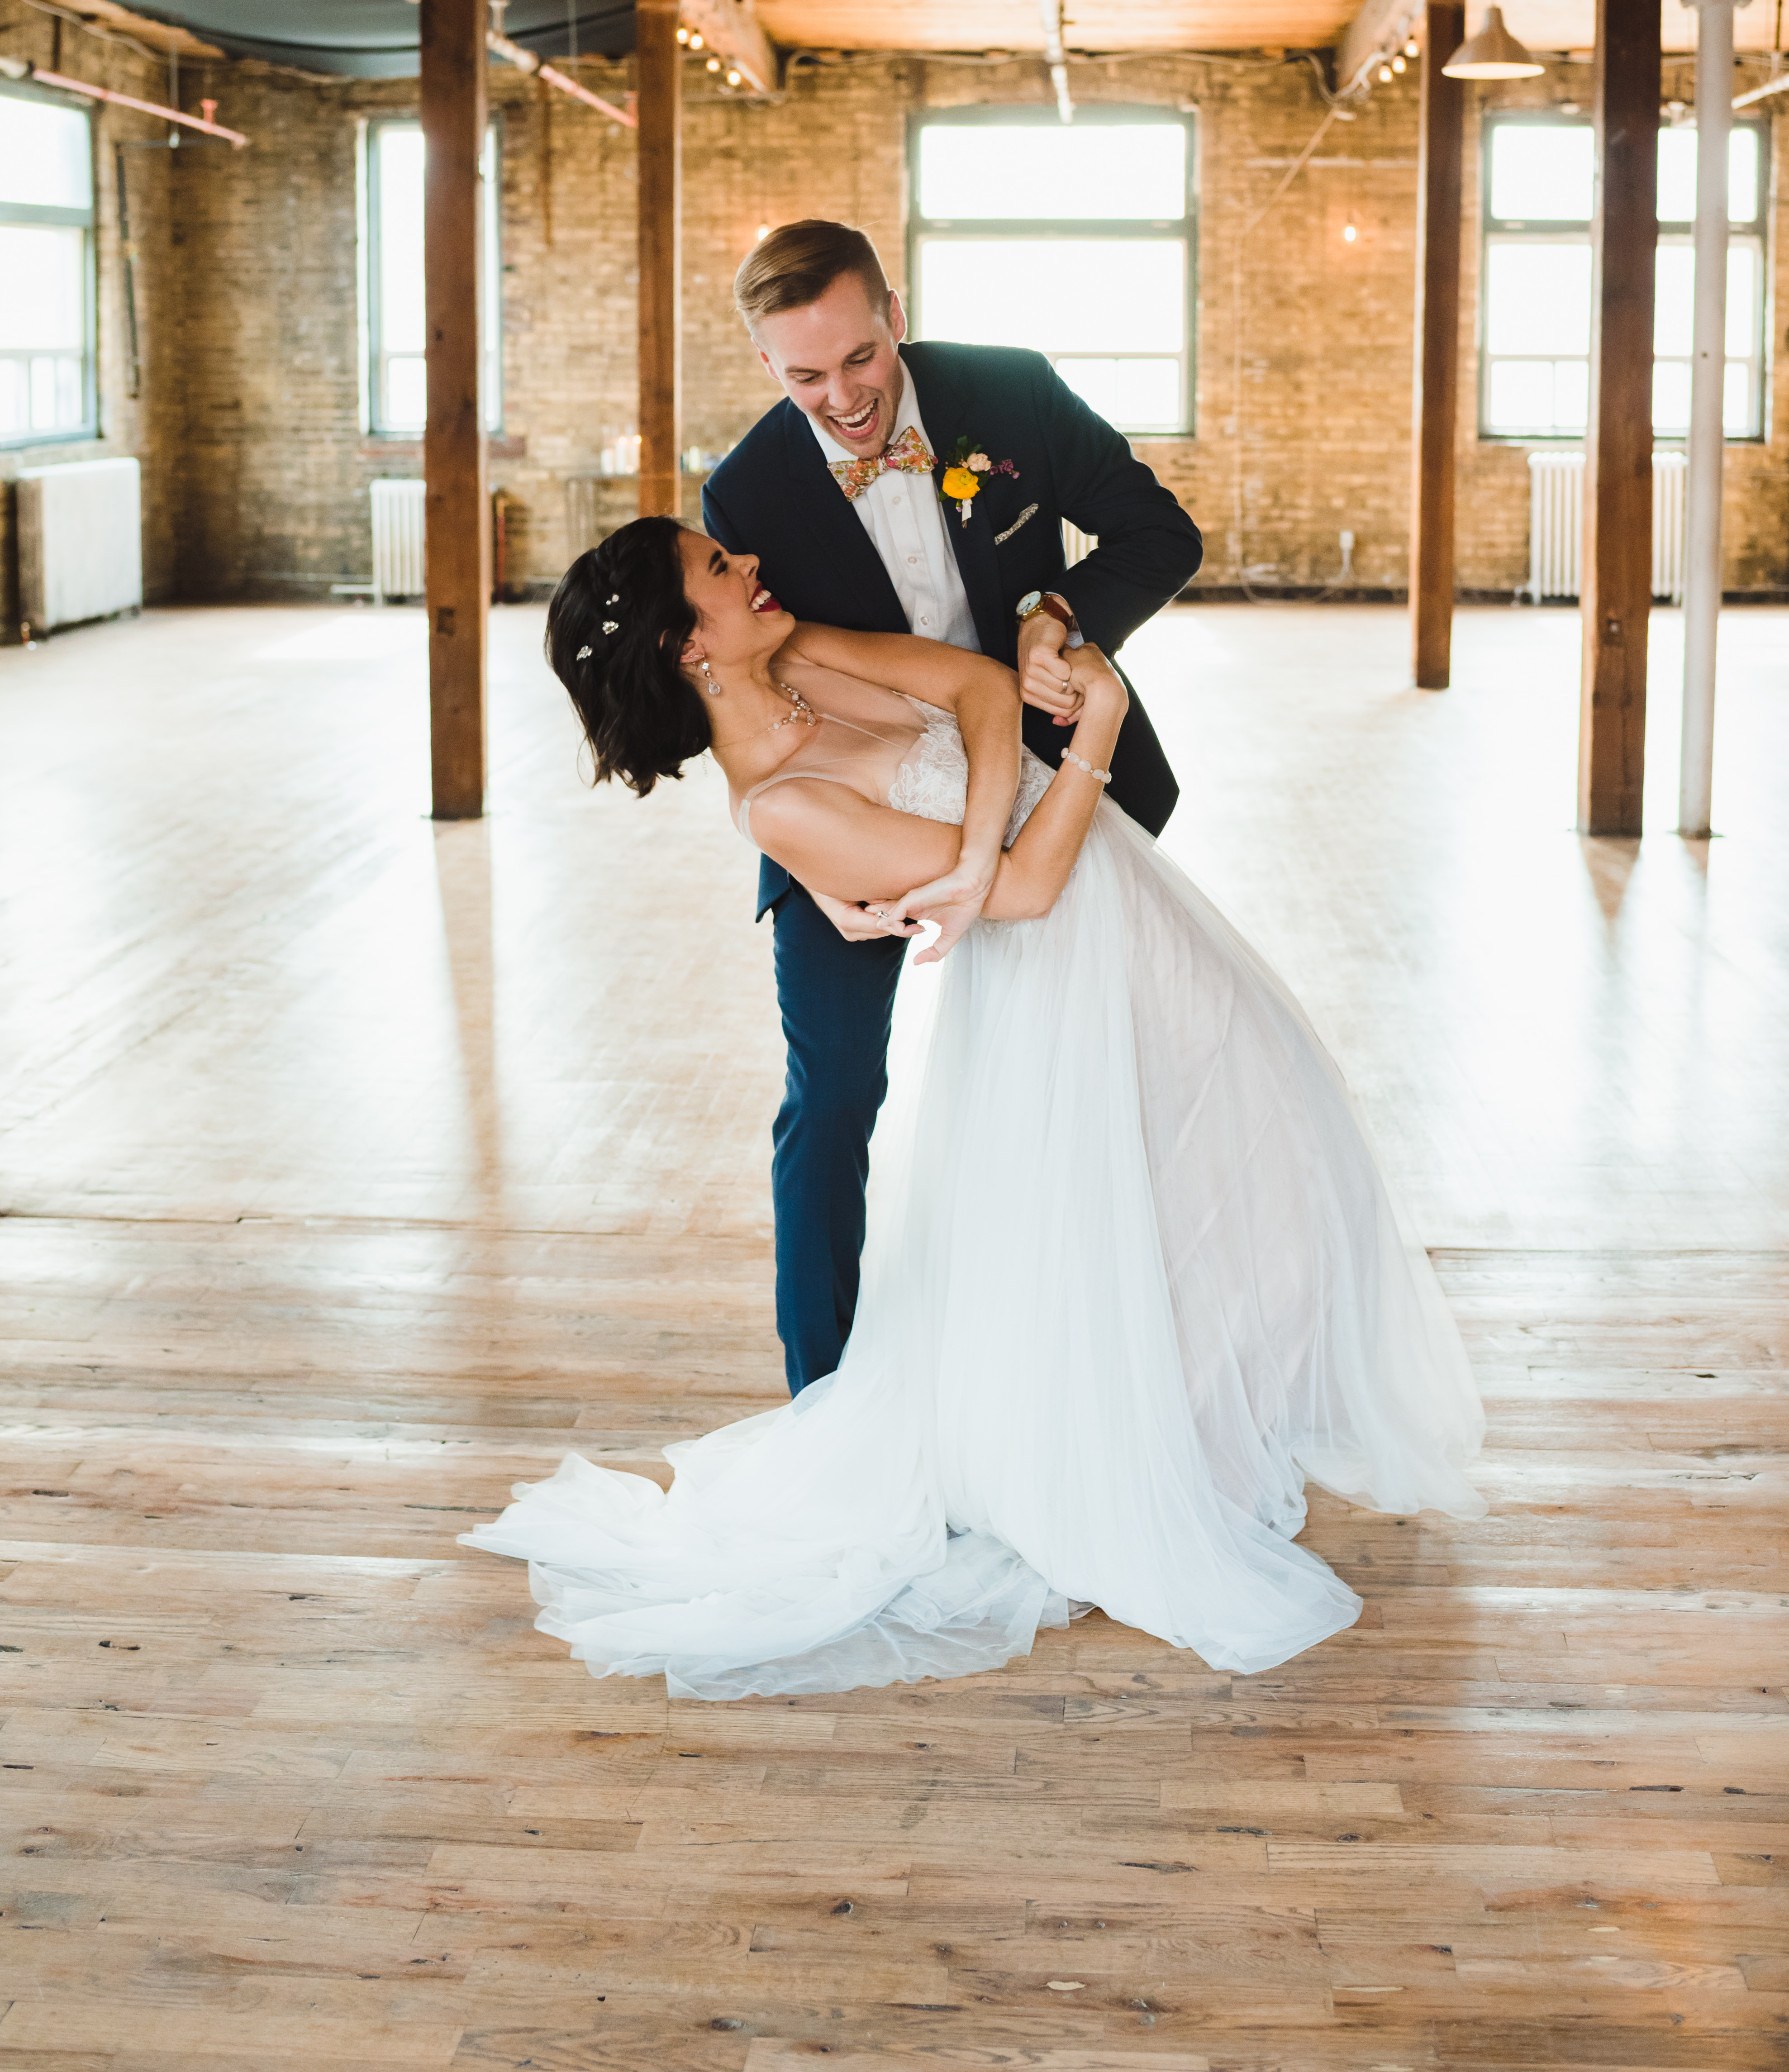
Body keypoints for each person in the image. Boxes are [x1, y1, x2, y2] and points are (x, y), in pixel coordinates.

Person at [462, 515, 1487, 1699]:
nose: (753, 566)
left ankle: (1202, 1420)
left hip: (1131, 902)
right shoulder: (784, 806)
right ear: (691, 647)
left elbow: (978, 689)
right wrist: (1090, 742)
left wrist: (984, 829)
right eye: (720, 572)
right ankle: (1159, 1449)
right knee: (1241, 1155)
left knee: (1265, 1144)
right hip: (1074, 958)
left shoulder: (798, 653)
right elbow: (1032, 888)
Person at [699, 219, 1205, 1397]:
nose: (842, 398)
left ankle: (1091, 1368)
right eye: (804, 377)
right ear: (769, 369)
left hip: (1036, 785)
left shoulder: (1007, 394)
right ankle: (821, 1396)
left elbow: (1157, 533)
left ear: (897, 314)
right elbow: (731, 691)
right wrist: (796, 853)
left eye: (861, 359)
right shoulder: (747, 489)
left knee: (1093, 1086)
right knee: (830, 1102)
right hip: (860, 810)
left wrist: (1059, 616)